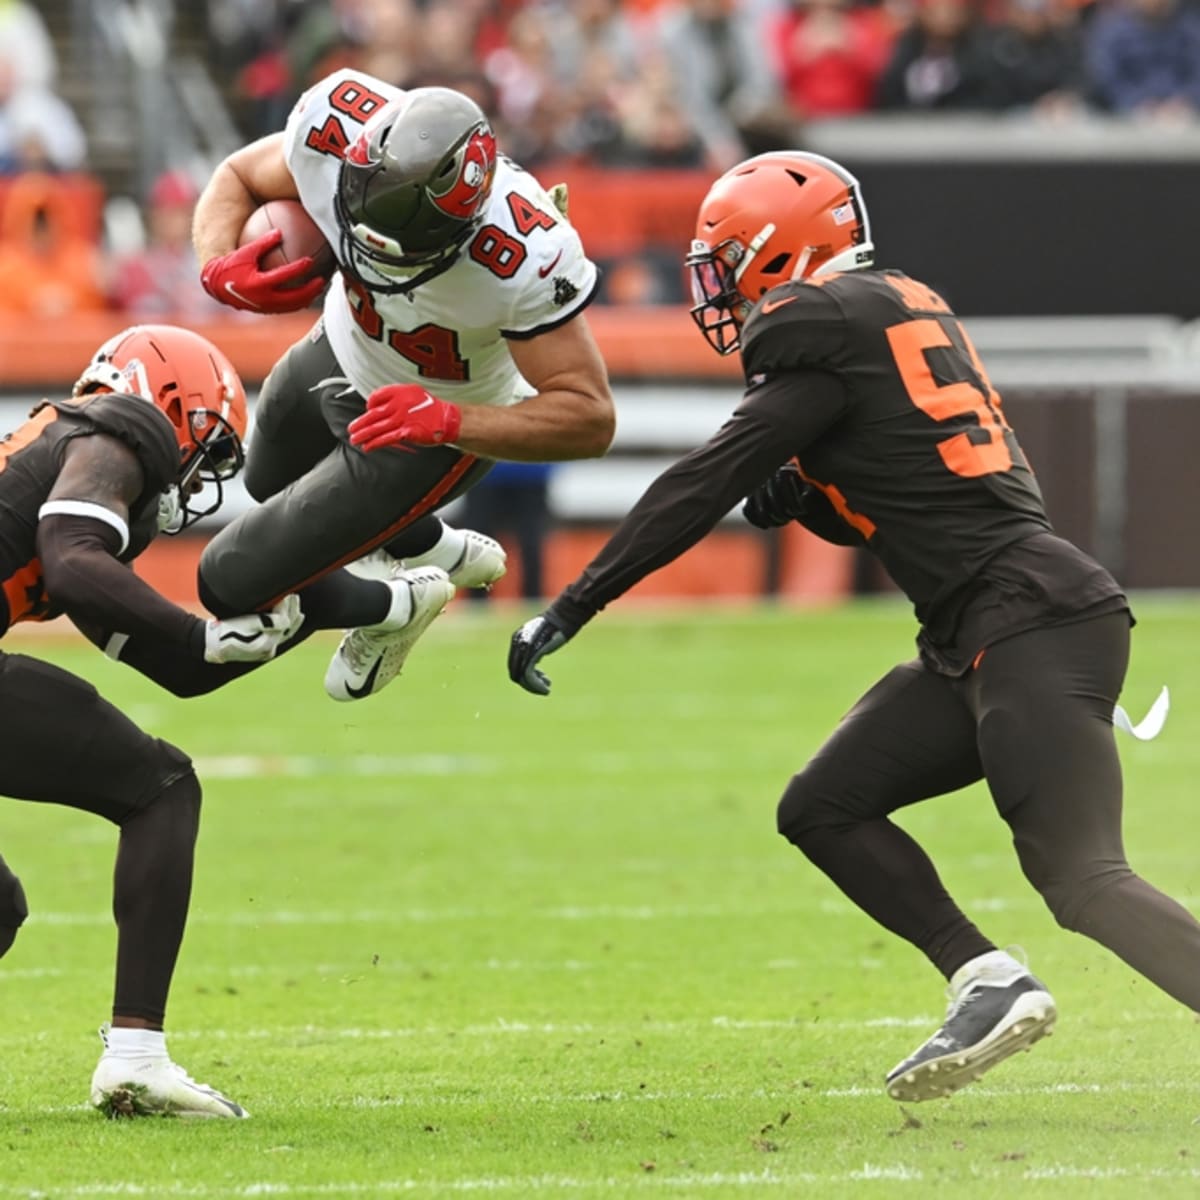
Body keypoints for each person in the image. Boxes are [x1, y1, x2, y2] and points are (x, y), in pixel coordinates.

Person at [505, 151, 1200, 1102]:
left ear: (780, 252)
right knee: (823, 805)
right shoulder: (890, 305)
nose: (719, 289)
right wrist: (805, 489)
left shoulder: (817, 326)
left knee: (1082, 879)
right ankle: (986, 978)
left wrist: (574, 602)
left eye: (727, 262)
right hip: (983, 625)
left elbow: (703, 480)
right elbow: (884, 480)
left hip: (1027, 618)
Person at [0, 323, 453, 1118]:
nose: (195, 474)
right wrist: (199, 633)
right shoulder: (117, 431)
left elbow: (180, 671)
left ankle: (137, 1061)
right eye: (203, 444)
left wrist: (290, 623)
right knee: (159, 788)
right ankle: (136, 1057)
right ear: (169, 405)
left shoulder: (63, 469)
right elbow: (74, 560)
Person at [192, 68, 615, 701]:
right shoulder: (335, 122)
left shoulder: (524, 253)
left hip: (435, 422)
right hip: (343, 349)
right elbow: (239, 175)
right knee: (262, 480)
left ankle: (395, 607)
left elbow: (590, 416)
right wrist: (216, 264)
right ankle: (429, 544)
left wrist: (448, 421)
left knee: (228, 581)